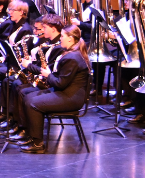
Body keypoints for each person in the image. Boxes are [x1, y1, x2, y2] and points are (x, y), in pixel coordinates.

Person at [18, 25, 91, 153]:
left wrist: (48, 75)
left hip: (71, 98)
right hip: (66, 93)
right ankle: (30, 136)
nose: (60, 38)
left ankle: (38, 144)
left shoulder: (73, 58)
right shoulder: (71, 54)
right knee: (27, 97)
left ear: (70, 38)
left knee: (33, 103)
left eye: (62, 36)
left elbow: (60, 83)